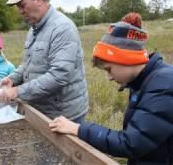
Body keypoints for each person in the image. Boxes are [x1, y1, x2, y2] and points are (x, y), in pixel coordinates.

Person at [49, 13, 173, 164]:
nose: (109, 77)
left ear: (126, 59)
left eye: (109, 69)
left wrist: (78, 129)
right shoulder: (143, 80)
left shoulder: (163, 85)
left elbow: (130, 143)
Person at [0, 0, 88, 123]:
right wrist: (13, 79)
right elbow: (30, 63)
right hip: (42, 111)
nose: (20, 11)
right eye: (18, 7)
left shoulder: (62, 28)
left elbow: (59, 75)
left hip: (64, 116)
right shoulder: (34, 29)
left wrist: (17, 91)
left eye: (22, 5)